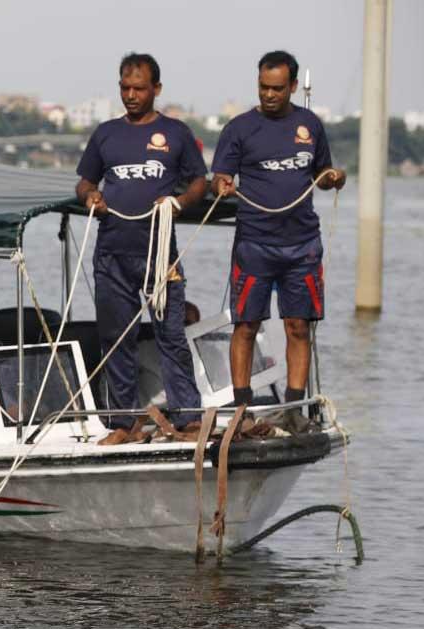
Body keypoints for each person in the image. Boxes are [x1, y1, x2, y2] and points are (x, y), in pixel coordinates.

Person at [75, 52, 208, 445]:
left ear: (156, 90)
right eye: (125, 88)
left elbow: (199, 181)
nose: (131, 95)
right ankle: (125, 422)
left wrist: (179, 204)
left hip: (159, 254)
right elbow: (83, 181)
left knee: (171, 334)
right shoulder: (105, 134)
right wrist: (91, 195)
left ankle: (188, 418)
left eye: (139, 88)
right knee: (116, 338)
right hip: (112, 253)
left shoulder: (176, 133)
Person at [212, 50, 346, 430]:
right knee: (246, 325)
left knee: (298, 326)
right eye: (262, 87)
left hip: (302, 244)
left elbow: (322, 173)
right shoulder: (239, 128)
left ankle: (293, 408)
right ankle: (240, 410)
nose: (268, 95)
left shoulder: (310, 125)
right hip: (254, 242)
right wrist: (222, 185)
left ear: (292, 86)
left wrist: (334, 178)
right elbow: (218, 176)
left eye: (276, 88)